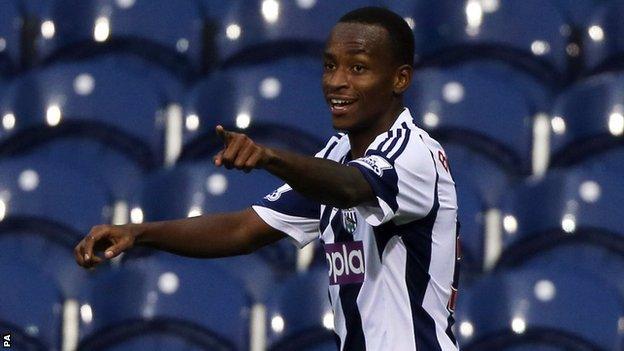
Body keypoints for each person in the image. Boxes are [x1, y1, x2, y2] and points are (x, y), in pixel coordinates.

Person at [74, 6, 461, 351]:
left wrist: (269, 157)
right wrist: (139, 234)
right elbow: (244, 229)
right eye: (330, 66)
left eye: (357, 68)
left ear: (400, 79)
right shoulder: (338, 156)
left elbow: (350, 188)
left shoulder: (412, 155)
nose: (337, 81)